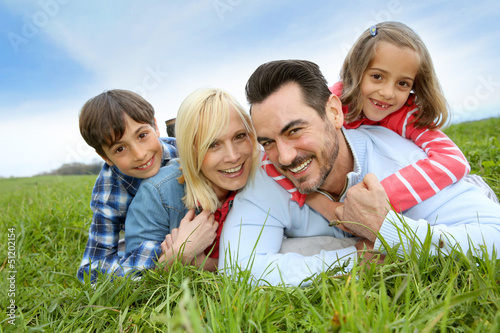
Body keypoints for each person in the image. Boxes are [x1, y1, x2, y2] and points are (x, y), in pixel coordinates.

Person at [218, 59, 500, 286]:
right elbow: (236, 268)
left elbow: (495, 238)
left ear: (334, 112)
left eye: (295, 131)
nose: (285, 156)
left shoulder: (403, 159)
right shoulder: (266, 179)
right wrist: (353, 258)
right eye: (268, 142)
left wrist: (386, 228)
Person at [264, 21, 471, 213]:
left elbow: (453, 160)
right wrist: (323, 205)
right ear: (356, 72)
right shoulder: (328, 105)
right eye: (377, 76)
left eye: (403, 84)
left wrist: (381, 196)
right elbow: (270, 155)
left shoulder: (406, 113)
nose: (388, 93)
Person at [123, 88, 261, 273]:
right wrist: (182, 253)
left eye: (239, 136)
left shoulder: (264, 175)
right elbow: (132, 283)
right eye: (213, 144)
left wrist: (203, 264)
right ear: (191, 151)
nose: (233, 156)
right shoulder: (158, 194)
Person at [77, 89, 178, 283]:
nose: (139, 154)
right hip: (155, 239)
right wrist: (165, 250)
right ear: (106, 157)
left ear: (156, 127)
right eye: (120, 149)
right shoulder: (109, 189)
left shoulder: (184, 150)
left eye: (142, 135)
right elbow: (92, 271)